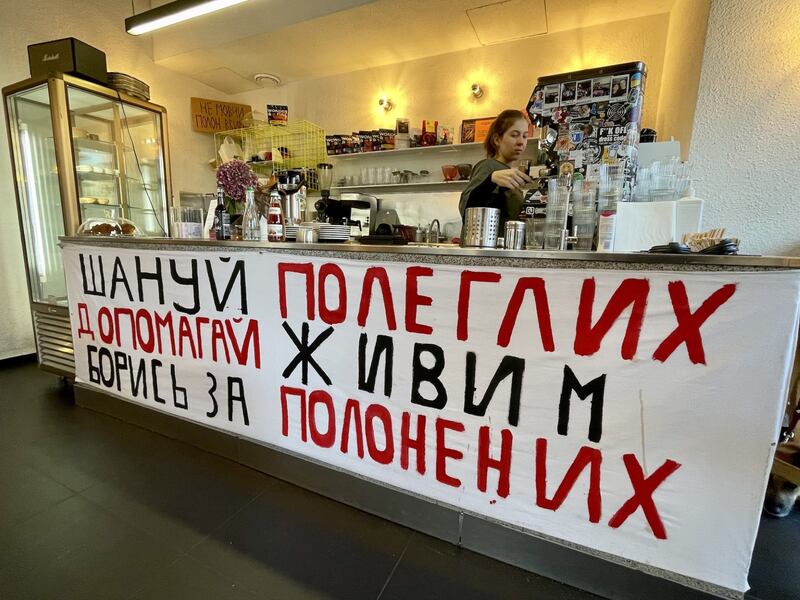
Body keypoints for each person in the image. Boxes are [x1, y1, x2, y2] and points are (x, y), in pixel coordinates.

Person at [459, 109, 534, 229]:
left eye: (525, 136)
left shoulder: (510, 173)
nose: (521, 142)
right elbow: (467, 211)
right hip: (485, 245)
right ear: (497, 139)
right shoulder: (488, 166)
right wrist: (490, 181)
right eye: (514, 135)